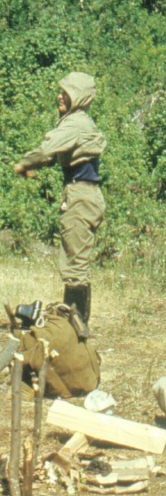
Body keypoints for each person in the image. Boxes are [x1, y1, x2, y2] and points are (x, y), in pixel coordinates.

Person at [13, 72, 107, 324]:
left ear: (77, 96)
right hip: (83, 194)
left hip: (80, 196)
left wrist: (23, 163)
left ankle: (75, 330)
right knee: (76, 265)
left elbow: (47, 149)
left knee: (75, 268)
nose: (59, 96)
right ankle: (74, 325)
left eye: (65, 92)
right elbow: (52, 156)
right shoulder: (79, 122)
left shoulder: (74, 123)